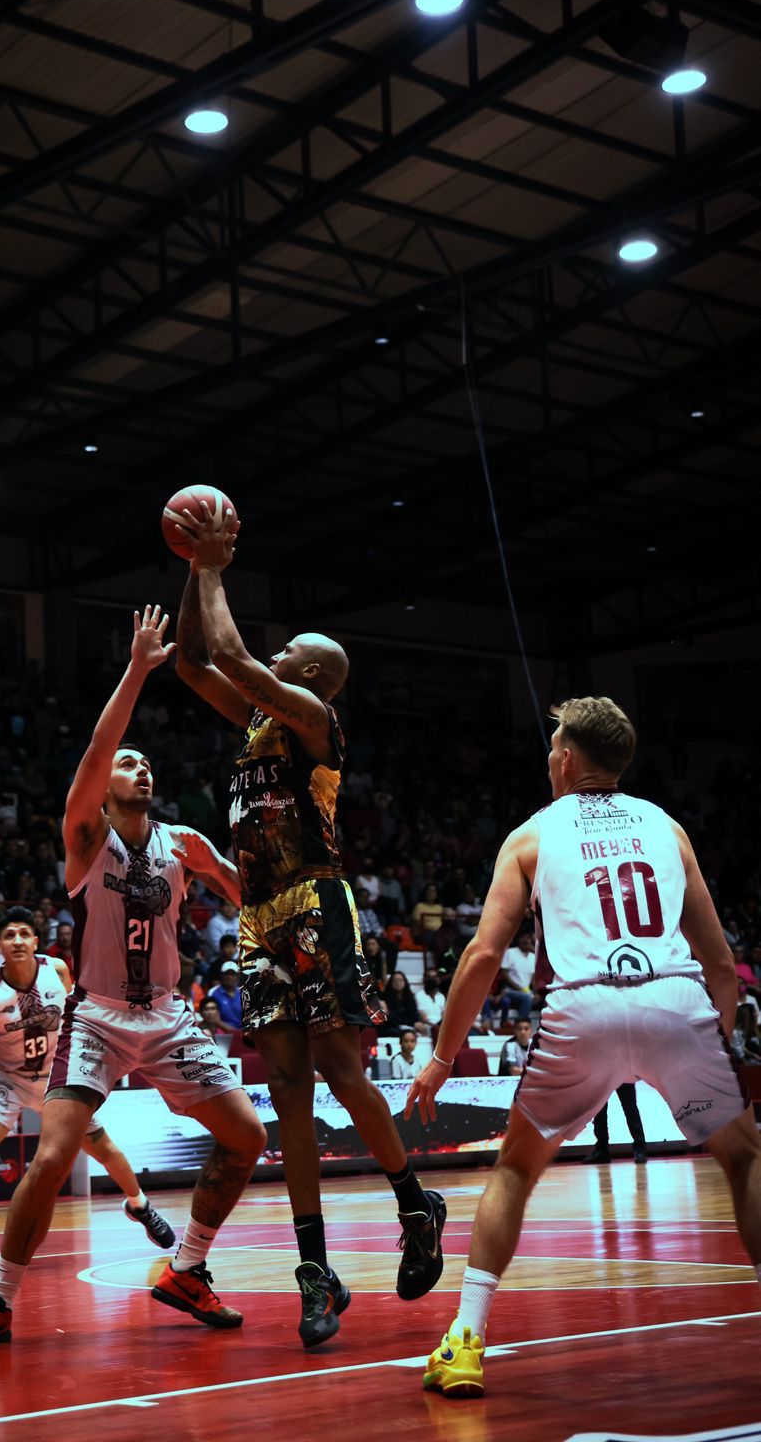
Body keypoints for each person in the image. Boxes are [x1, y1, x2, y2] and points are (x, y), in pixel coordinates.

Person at [408, 696, 761, 1400]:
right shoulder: (667, 826)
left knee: (514, 1171)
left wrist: (443, 1057)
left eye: (551, 749)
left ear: (566, 758)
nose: (548, 759)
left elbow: (483, 955)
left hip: (584, 1005)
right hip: (673, 996)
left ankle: (466, 1343)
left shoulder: (531, 835)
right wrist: (710, 1043)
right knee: (746, 1158)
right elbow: (721, 965)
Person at [0, 606, 265, 1352]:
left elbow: (245, 896)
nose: (140, 767)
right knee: (54, 1154)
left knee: (247, 1138)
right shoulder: (86, 837)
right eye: (130, 763)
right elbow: (97, 748)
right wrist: (138, 668)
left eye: (147, 763)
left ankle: (187, 1268)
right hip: (93, 1019)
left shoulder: (182, 843)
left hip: (167, 1015)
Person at [174, 514, 444, 1350]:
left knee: (335, 1063)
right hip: (257, 917)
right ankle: (316, 1271)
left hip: (314, 902)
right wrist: (193, 565)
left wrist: (216, 567)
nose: (277, 651)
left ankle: (412, 1199)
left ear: (314, 672)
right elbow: (192, 662)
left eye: (289, 647)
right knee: (287, 1090)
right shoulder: (260, 722)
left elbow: (233, 661)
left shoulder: (313, 718)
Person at [0, 906, 174, 1279]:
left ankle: (139, 1205)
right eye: (10, 935)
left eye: (25, 934)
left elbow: (81, 1017)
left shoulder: (57, 970)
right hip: (8, 1078)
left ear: (36, 940)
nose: (18, 941)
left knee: (105, 1149)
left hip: (58, 1077)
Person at [586, 1083, 648, 1164]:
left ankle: (640, 1149)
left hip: (621, 1073)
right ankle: (602, 1150)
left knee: (629, 1107)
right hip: (605, 1072)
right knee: (600, 1109)